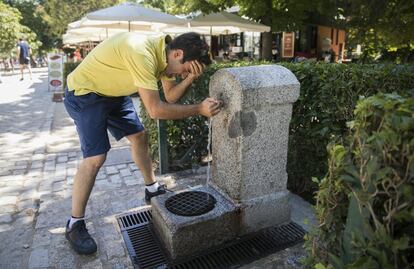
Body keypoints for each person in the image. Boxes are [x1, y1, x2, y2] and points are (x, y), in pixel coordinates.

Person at [63, 32, 222, 255]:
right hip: (84, 93)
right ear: (178, 54)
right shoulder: (141, 52)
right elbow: (156, 110)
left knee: (139, 136)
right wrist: (199, 109)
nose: (181, 74)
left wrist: (190, 77)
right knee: (96, 157)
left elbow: (171, 96)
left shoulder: (166, 54)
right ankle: (74, 224)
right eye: (185, 69)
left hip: (112, 94)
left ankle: (151, 188)